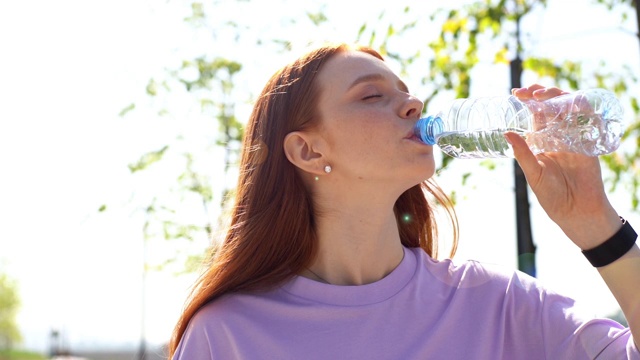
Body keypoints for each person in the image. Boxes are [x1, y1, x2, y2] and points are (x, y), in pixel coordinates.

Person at [169, 43, 640, 359]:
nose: (414, 105)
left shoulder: (498, 305)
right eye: (371, 95)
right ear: (308, 151)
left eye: (408, 93)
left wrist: (598, 228)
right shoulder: (226, 335)